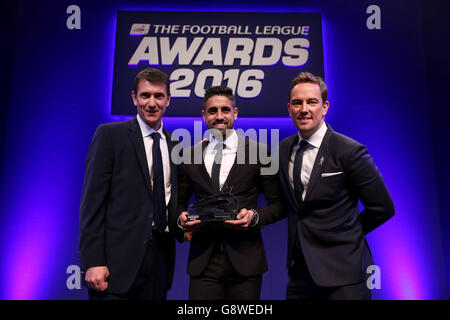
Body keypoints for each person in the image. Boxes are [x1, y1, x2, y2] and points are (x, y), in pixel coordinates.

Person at [278, 72, 395, 300]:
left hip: (344, 274)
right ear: (289, 108)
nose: (304, 109)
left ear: (325, 107)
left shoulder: (349, 151)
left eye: (312, 102)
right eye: (297, 103)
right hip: (300, 272)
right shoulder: (284, 149)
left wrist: (347, 231)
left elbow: (383, 208)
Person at [79, 68, 182, 300]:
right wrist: (94, 262)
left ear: (168, 100)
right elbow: (92, 204)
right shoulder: (110, 135)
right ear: (134, 98)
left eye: (158, 96)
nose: (152, 103)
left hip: (160, 264)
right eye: (145, 95)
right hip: (115, 268)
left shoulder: (174, 144)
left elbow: (169, 200)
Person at [177, 86, 283, 300]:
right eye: (212, 111)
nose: (219, 116)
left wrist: (254, 217)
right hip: (203, 263)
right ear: (203, 115)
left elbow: (279, 204)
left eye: (225, 110)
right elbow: (177, 204)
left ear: (235, 113)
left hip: (246, 261)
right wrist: (181, 220)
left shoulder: (259, 152)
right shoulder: (189, 156)